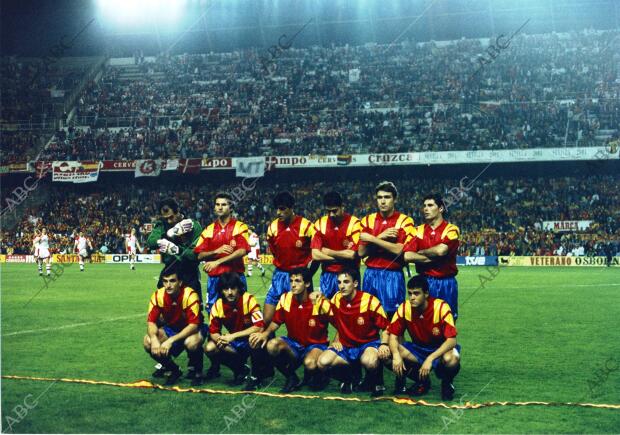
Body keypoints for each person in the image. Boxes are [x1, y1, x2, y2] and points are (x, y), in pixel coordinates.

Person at [249, 268, 331, 393]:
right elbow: (276, 322)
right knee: (272, 345)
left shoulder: (318, 301)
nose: (293, 284)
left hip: (316, 345)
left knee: (310, 364)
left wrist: (338, 340)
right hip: (295, 345)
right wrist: (265, 334)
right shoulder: (285, 298)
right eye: (291, 281)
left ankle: (320, 374)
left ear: (307, 284)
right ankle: (291, 377)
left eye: (298, 281)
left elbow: (339, 321)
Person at [317, 268, 391, 397]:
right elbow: (335, 318)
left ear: (355, 283)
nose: (342, 286)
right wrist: (336, 340)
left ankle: (377, 382)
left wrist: (384, 344)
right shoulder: (336, 299)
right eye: (339, 282)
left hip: (367, 345)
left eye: (346, 282)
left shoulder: (370, 301)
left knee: (370, 362)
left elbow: (387, 327)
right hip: (346, 346)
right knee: (322, 362)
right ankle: (350, 379)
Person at [388, 275, 460, 400]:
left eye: (416, 294)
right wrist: (396, 355)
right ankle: (421, 380)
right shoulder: (404, 308)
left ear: (426, 294)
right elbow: (393, 336)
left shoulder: (441, 307)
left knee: (452, 359)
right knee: (387, 353)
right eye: (409, 294)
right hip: (418, 349)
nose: (412, 298)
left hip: (439, 350)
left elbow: (452, 340)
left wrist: (431, 359)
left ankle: (447, 383)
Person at [205, 272, 271, 390]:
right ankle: (240, 369)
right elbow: (213, 332)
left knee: (255, 338)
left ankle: (256, 378)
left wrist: (232, 336)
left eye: (233, 288)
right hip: (235, 343)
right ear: (221, 290)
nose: (230, 292)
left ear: (238, 288)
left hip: (252, 340)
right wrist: (221, 340)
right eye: (226, 289)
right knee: (210, 348)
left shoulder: (248, 300)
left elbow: (259, 326)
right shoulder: (218, 305)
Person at [358, 181, 415, 317]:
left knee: (394, 320)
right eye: (380, 197)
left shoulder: (405, 221)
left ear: (395, 199)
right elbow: (361, 252)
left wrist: (373, 239)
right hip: (370, 275)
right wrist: (382, 236)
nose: (383, 201)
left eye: (387, 197)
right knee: (368, 319)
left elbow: (400, 250)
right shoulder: (367, 220)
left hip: (392, 275)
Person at [144, 265, 207, 386]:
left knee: (191, 343)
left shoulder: (190, 295)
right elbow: (151, 322)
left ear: (180, 282)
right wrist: (154, 339)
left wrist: (171, 340)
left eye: (172, 281)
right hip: (172, 328)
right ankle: (174, 370)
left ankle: (198, 372)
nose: (168, 285)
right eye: (165, 281)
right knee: (148, 342)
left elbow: (193, 325)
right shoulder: (158, 295)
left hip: (193, 329)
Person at [403, 195, 460, 319]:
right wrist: (430, 257)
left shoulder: (451, 229)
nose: (425, 209)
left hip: (446, 282)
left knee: (447, 320)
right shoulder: (417, 230)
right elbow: (407, 255)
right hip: (424, 282)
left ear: (440, 209)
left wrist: (420, 252)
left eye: (430, 205)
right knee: (423, 320)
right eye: (424, 206)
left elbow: (441, 251)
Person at [194, 192, 251, 315]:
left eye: (224, 204)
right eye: (217, 204)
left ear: (231, 208)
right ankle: (214, 334)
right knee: (213, 313)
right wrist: (216, 251)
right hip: (215, 279)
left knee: (242, 312)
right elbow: (199, 255)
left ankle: (241, 334)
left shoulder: (240, 227)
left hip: (235, 277)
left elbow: (242, 250)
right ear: (214, 207)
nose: (220, 207)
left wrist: (218, 261)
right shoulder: (209, 230)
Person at [264, 191, 315, 325]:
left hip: (299, 277)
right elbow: (275, 253)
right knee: (267, 319)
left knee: (304, 320)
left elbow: (316, 254)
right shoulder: (272, 228)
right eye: (277, 209)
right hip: (279, 275)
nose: (278, 212)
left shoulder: (307, 226)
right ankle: (267, 343)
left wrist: (308, 274)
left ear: (291, 208)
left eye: (282, 209)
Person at [147, 197, 203, 300]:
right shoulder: (162, 225)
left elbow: (195, 256)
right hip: (169, 271)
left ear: (178, 212)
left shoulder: (194, 226)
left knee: (194, 311)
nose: (168, 221)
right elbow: (150, 242)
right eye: (165, 218)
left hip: (189, 272)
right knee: (163, 309)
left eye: (171, 217)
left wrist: (177, 249)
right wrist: (169, 235)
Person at [311, 191, 361, 298]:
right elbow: (315, 255)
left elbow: (352, 254)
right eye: (328, 211)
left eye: (334, 211)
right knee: (327, 311)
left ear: (342, 207)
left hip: (349, 275)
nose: (331, 215)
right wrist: (339, 258)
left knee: (350, 312)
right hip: (328, 276)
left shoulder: (354, 223)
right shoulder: (320, 223)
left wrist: (328, 252)